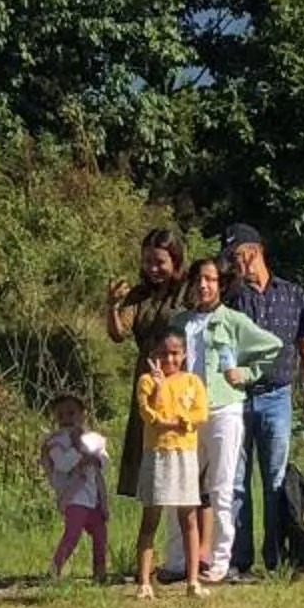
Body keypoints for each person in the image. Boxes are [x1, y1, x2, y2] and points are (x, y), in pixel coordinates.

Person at [216, 223, 304, 576]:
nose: (234, 264)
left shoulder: (291, 293)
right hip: (237, 397)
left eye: (236, 256)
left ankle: (276, 557)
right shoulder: (231, 297)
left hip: (277, 396)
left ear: (253, 250)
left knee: (275, 479)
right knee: (236, 480)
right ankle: (238, 560)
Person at [176, 257, 284, 584]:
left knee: (222, 486)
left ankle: (221, 561)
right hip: (186, 413)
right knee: (181, 487)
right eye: (198, 280)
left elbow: (273, 346)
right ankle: (179, 559)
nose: (204, 286)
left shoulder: (233, 321)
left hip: (224, 409)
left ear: (221, 285)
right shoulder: (180, 322)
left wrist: (247, 373)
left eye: (210, 279)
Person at [104, 229, 186, 540]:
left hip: (179, 380)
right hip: (148, 381)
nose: (153, 268)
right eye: (148, 261)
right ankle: (149, 543)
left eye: (160, 262)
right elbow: (117, 333)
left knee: (181, 453)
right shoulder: (139, 295)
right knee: (150, 457)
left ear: (175, 260)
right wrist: (112, 305)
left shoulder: (185, 291)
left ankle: (186, 546)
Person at [130, 329, 209, 601]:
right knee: (150, 517)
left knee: (188, 517)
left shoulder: (193, 382)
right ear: (154, 356)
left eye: (175, 353)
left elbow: (200, 413)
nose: (169, 359)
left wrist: (180, 421)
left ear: (184, 354)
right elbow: (149, 413)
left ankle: (193, 580)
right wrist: (160, 386)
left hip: (185, 454)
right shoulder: (146, 381)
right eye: (163, 354)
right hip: (158, 454)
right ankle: (143, 581)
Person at [42, 393, 112, 582]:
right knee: (72, 535)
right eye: (61, 415)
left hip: (94, 497)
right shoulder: (56, 442)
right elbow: (63, 464)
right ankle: (55, 570)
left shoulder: (93, 438)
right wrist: (79, 452)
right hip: (74, 496)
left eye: (71, 413)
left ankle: (100, 572)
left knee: (100, 535)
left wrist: (94, 457)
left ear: (82, 414)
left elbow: (103, 460)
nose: (66, 419)